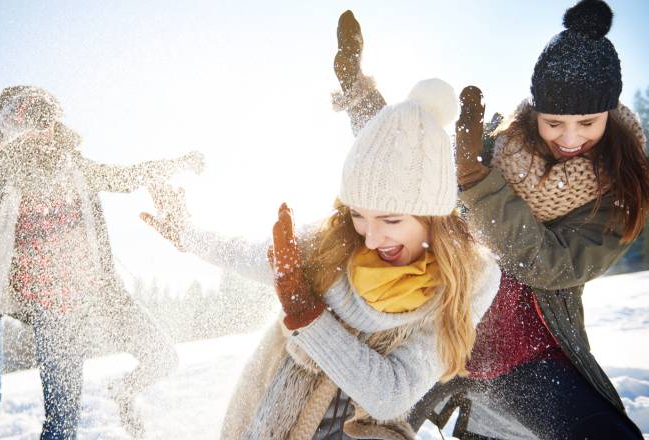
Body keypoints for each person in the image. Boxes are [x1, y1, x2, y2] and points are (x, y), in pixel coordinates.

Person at [331, 2, 648, 438]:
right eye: (554, 122)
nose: (570, 138)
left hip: (527, 358)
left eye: (587, 123)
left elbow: (549, 266)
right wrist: (358, 90)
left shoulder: (619, 192)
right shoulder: (495, 147)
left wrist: (479, 186)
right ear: (534, 112)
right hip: (438, 346)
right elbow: (407, 166)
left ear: (609, 115)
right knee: (353, 430)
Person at [141, 79, 501, 439]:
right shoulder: (335, 241)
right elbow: (245, 253)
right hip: (278, 420)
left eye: (391, 220)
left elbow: (391, 394)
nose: (372, 237)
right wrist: (185, 234)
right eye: (360, 214)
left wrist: (307, 316)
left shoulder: (471, 277)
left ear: (433, 217)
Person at [0, 85, 199, 439]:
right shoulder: (3, 174)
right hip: (52, 312)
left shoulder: (74, 164)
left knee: (163, 357)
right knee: (61, 421)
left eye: (45, 119)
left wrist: (174, 165)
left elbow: (124, 176)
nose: (39, 129)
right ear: (13, 127)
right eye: (27, 121)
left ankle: (123, 391)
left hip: (101, 294)